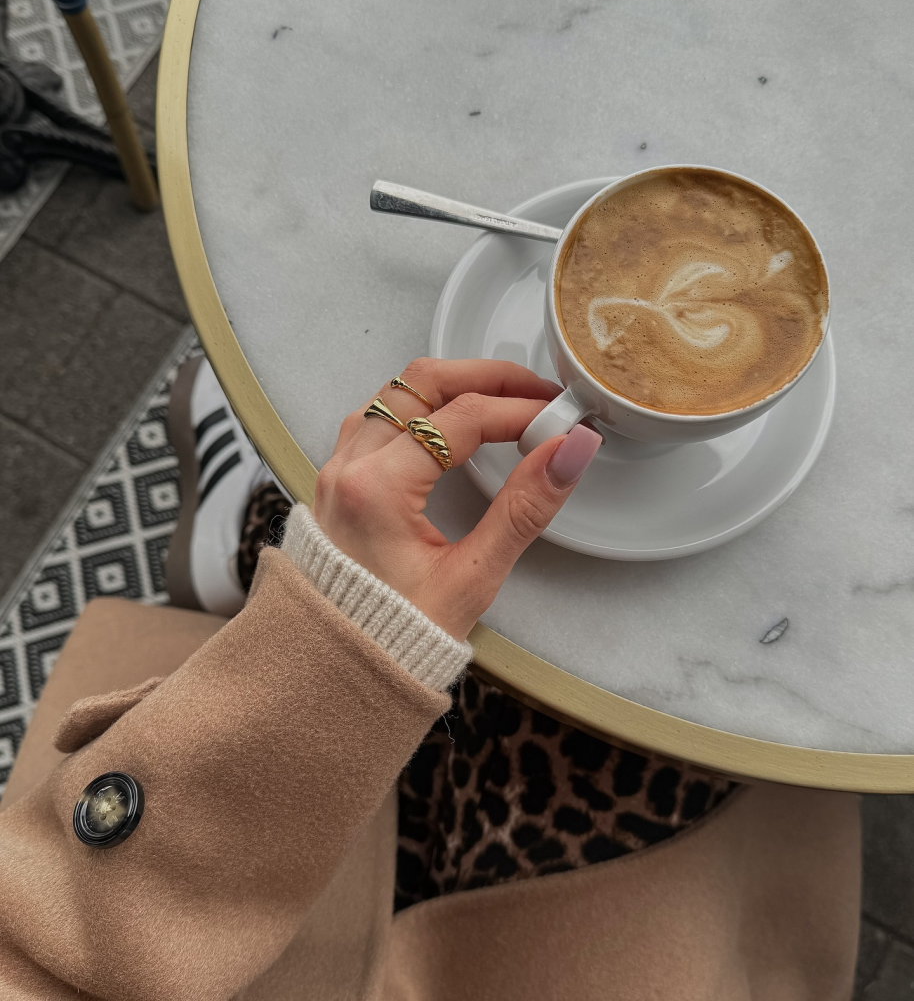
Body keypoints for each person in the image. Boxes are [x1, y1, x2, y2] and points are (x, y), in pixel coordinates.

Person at [0, 356, 860, 999]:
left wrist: (329, 633)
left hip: (194, 920)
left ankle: (249, 532)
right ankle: (261, 538)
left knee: (390, 560)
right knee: (641, 733)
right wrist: (336, 637)